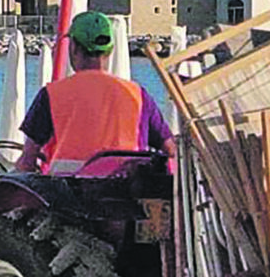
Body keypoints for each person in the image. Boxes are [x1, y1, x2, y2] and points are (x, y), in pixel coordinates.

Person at [16, 11, 176, 173]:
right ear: (110, 49)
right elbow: (170, 150)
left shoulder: (52, 94)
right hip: (129, 191)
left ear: (75, 47)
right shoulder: (138, 95)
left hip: (67, 192)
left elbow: (27, 161)